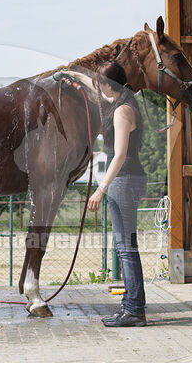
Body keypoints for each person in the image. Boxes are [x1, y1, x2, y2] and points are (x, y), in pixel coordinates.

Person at [64, 61, 148, 327]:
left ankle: (134, 310)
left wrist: (100, 189)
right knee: (125, 247)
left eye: (100, 84)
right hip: (126, 181)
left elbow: (120, 154)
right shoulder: (124, 99)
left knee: (126, 249)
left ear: (108, 85)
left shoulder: (122, 111)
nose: (97, 89)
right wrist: (73, 75)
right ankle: (131, 307)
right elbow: (95, 86)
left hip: (124, 182)